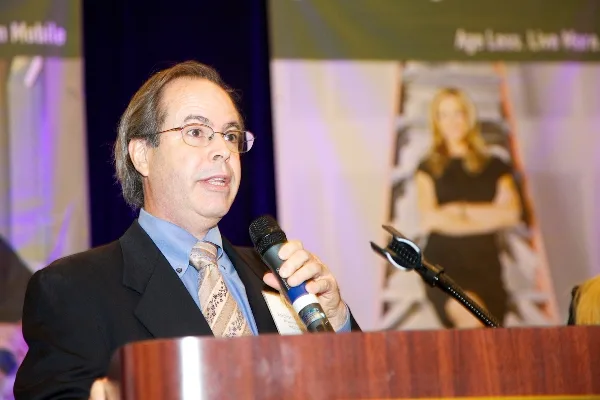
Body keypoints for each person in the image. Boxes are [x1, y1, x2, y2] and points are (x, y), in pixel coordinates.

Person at [14, 61, 361, 399]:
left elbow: (359, 387)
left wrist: (336, 323)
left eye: (230, 136)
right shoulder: (73, 290)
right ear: (142, 155)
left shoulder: (276, 277)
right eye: (196, 132)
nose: (223, 151)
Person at [414, 87, 522, 328]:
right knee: (473, 322)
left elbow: (512, 214)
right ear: (436, 121)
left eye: (458, 113)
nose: (452, 121)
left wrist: (457, 212)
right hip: (443, 264)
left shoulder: (495, 166)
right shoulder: (428, 167)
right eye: (444, 115)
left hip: (486, 264)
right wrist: (487, 216)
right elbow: (430, 219)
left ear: (468, 116)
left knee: (490, 332)